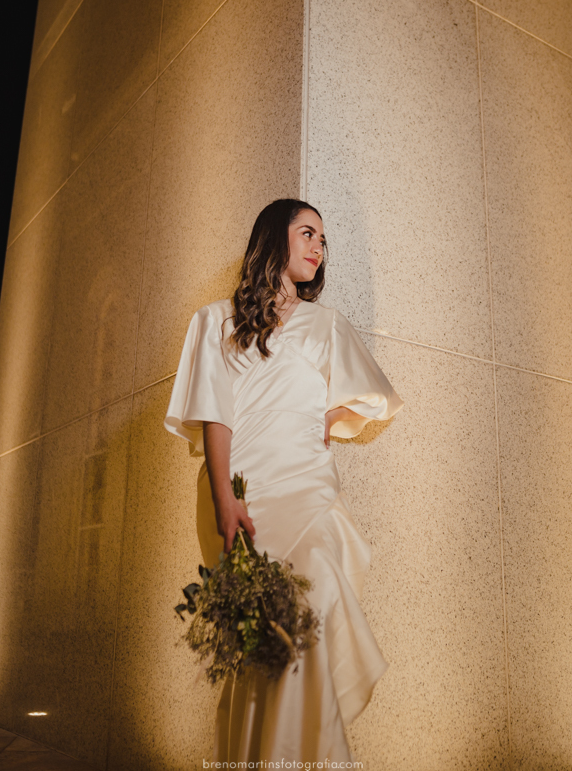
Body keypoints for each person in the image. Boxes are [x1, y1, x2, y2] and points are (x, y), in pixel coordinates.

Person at [164, 198, 404, 762]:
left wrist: (332, 416)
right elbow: (214, 414)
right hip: (242, 489)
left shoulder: (327, 324)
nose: (319, 247)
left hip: (308, 486)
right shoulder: (214, 321)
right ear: (274, 239)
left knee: (314, 600)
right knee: (261, 646)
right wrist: (226, 499)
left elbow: (379, 399)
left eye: (323, 239)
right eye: (307, 233)